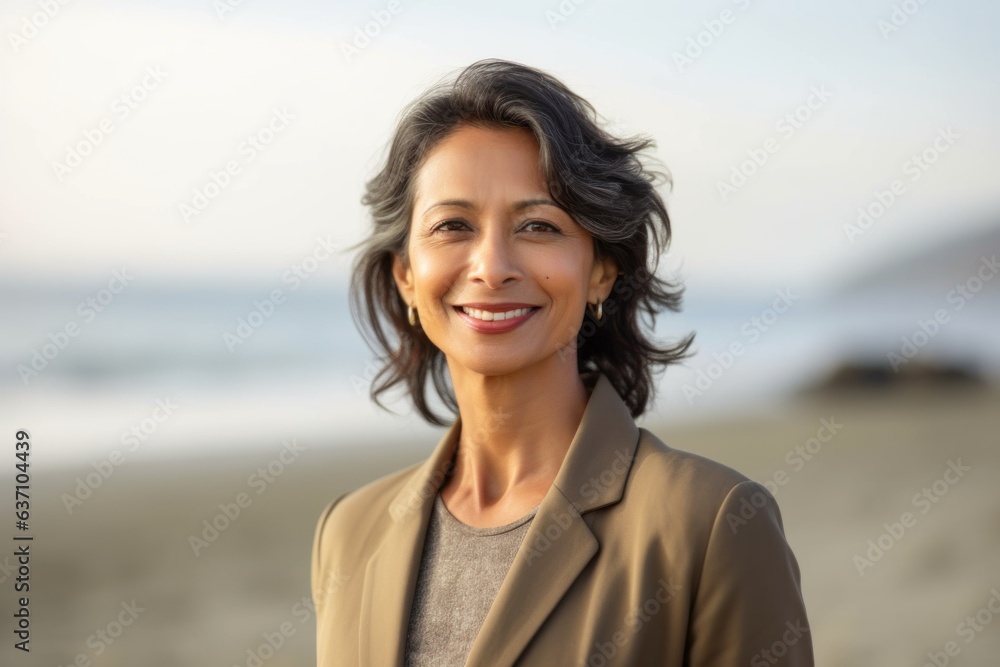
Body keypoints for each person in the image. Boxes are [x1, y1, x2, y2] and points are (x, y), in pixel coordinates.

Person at [312, 59, 813, 666]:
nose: (492, 266)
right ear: (406, 278)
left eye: (539, 226)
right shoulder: (347, 535)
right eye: (452, 225)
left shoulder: (713, 525)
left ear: (601, 270)